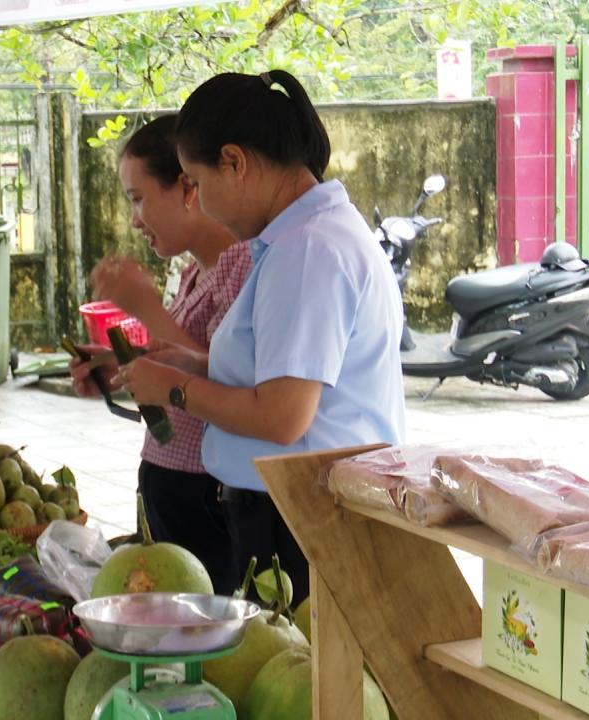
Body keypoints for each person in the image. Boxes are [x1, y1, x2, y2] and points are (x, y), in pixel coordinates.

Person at [116, 71, 407, 606]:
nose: (199, 204)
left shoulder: (308, 252)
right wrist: (191, 365)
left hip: (304, 518)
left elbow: (281, 417)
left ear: (235, 162)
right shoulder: (304, 238)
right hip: (294, 509)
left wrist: (176, 391)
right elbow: (280, 374)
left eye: (198, 184)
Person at [71, 115, 248, 594]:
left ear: (188, 187)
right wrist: (119, 362)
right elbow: (186, 358)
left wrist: (145, 308)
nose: (134, 219)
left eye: (138, 197)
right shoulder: (196, 270)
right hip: (172, 491)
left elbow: (235, 381)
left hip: (207, 501)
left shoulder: (242, 265)